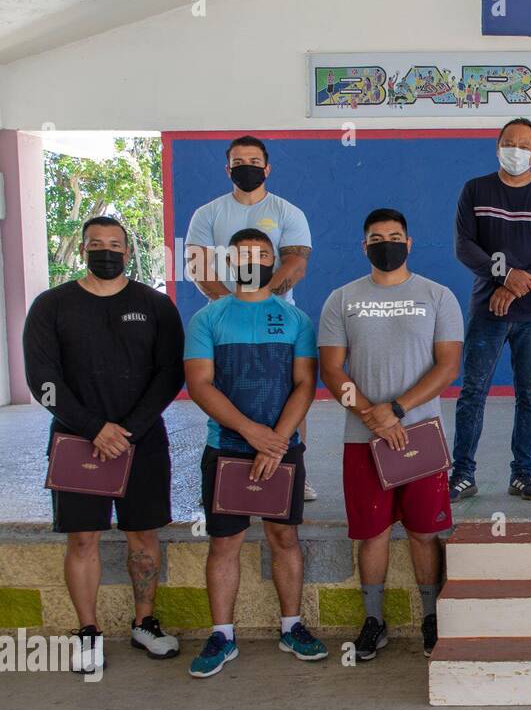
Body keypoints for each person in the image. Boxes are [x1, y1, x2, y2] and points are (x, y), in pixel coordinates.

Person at [22, 216, 185, 674]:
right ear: (83, 251)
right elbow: (43, 381)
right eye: (97, 244)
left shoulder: (155, 305)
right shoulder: (51, 305)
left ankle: (144, 623)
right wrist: (94, 428)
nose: (106, 252)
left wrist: (128, 429)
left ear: (129, 252)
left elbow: (170, 374)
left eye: (115, 245)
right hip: (77, 443)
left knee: (144, 535)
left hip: (142, 442)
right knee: (82, 538)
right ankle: (88, 632)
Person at [319, 209, 464, 660]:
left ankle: (430, 617)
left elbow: (447, 366)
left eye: (395, 236)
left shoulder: (438, 297)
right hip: (362, 439)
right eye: (377, 237)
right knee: (373, 534)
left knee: (424, 533)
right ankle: (373, 621)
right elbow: (330, 368)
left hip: (420, 436)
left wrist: (396, 410)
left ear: (410, 243)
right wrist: (369, 414)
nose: (387, 243)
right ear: (364, 246)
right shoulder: (340, 300)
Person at [183, 229, 326, 678]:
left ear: (274, 261)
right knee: (224, 543)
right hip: (226, 448)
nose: (252, 259)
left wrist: (277, 441)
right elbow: (200, 384)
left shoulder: (296, 320)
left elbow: (305, 384)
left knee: (285, 539)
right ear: (230, 259)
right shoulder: (208, 318)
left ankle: (292, 625)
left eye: (261, 254)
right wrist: (252, 434)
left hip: (282, 448)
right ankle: (222, 635)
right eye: (243, 253)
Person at [184, 135, 320, 501]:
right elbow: (198, 265)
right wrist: (232, 303)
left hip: (278, 319)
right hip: (226, 319)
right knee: (223, 389)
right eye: (239, 160)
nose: (248, 166)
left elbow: (296, 261)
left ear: (267, 168)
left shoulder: (287, 212)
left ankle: (294, 466)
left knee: (290, 390)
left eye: (255, 160)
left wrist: (261, 299)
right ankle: (223, 468)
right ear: (228, 168)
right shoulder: (207, 213)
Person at [450, 118, 531, 502]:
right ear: (497, 145)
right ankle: (463, 474)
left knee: (530, 395)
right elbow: (465, 246)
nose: (515, 150)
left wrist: (520, 285)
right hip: (488, 310)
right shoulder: (475, 190)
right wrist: (505, 276)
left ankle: (523, 475)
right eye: (508, 142)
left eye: (524, 145)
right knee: (473, 392)